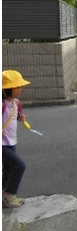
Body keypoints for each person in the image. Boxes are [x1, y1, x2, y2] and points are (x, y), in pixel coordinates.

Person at [2, 70, 30, 208]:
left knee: (8, 169)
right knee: (20, 166)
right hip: (2, 144)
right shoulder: (2, 104)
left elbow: (16, 116)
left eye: (20, 86)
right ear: (7, 89)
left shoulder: (16, 103)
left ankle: (3, 196)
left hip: (11, 142)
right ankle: (10, 194)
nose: (20, 89)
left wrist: (21, 118)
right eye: (17, 87)